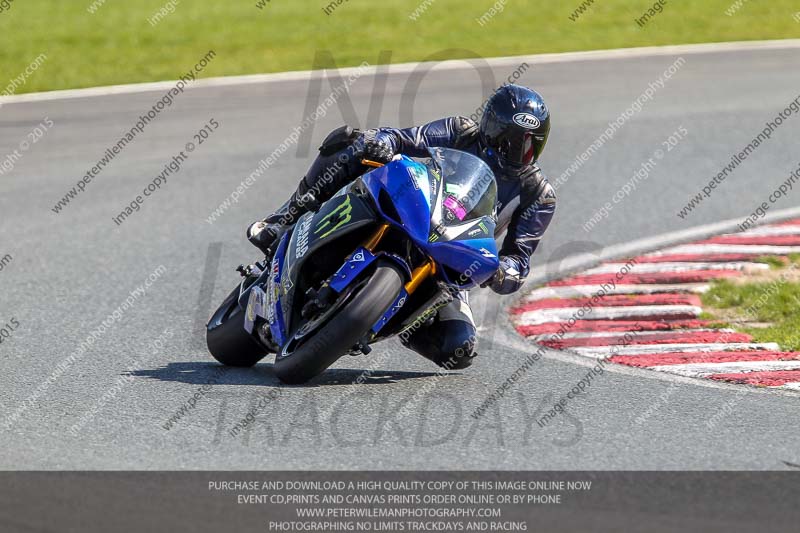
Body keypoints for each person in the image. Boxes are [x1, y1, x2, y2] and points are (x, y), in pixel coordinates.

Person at [247, 84, 556, 369]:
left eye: (531, 145)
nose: (519, 152)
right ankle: (283, 219)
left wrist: (503, 272)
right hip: (408, 208)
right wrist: (382, 142)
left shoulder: (538, 194)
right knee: (351, 143)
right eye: (510, 141)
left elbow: (519, 259)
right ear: (489, 127)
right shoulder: (459, 131)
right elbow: (404, 138)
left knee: (457, 349)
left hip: (450, 257)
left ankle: (386, 321)